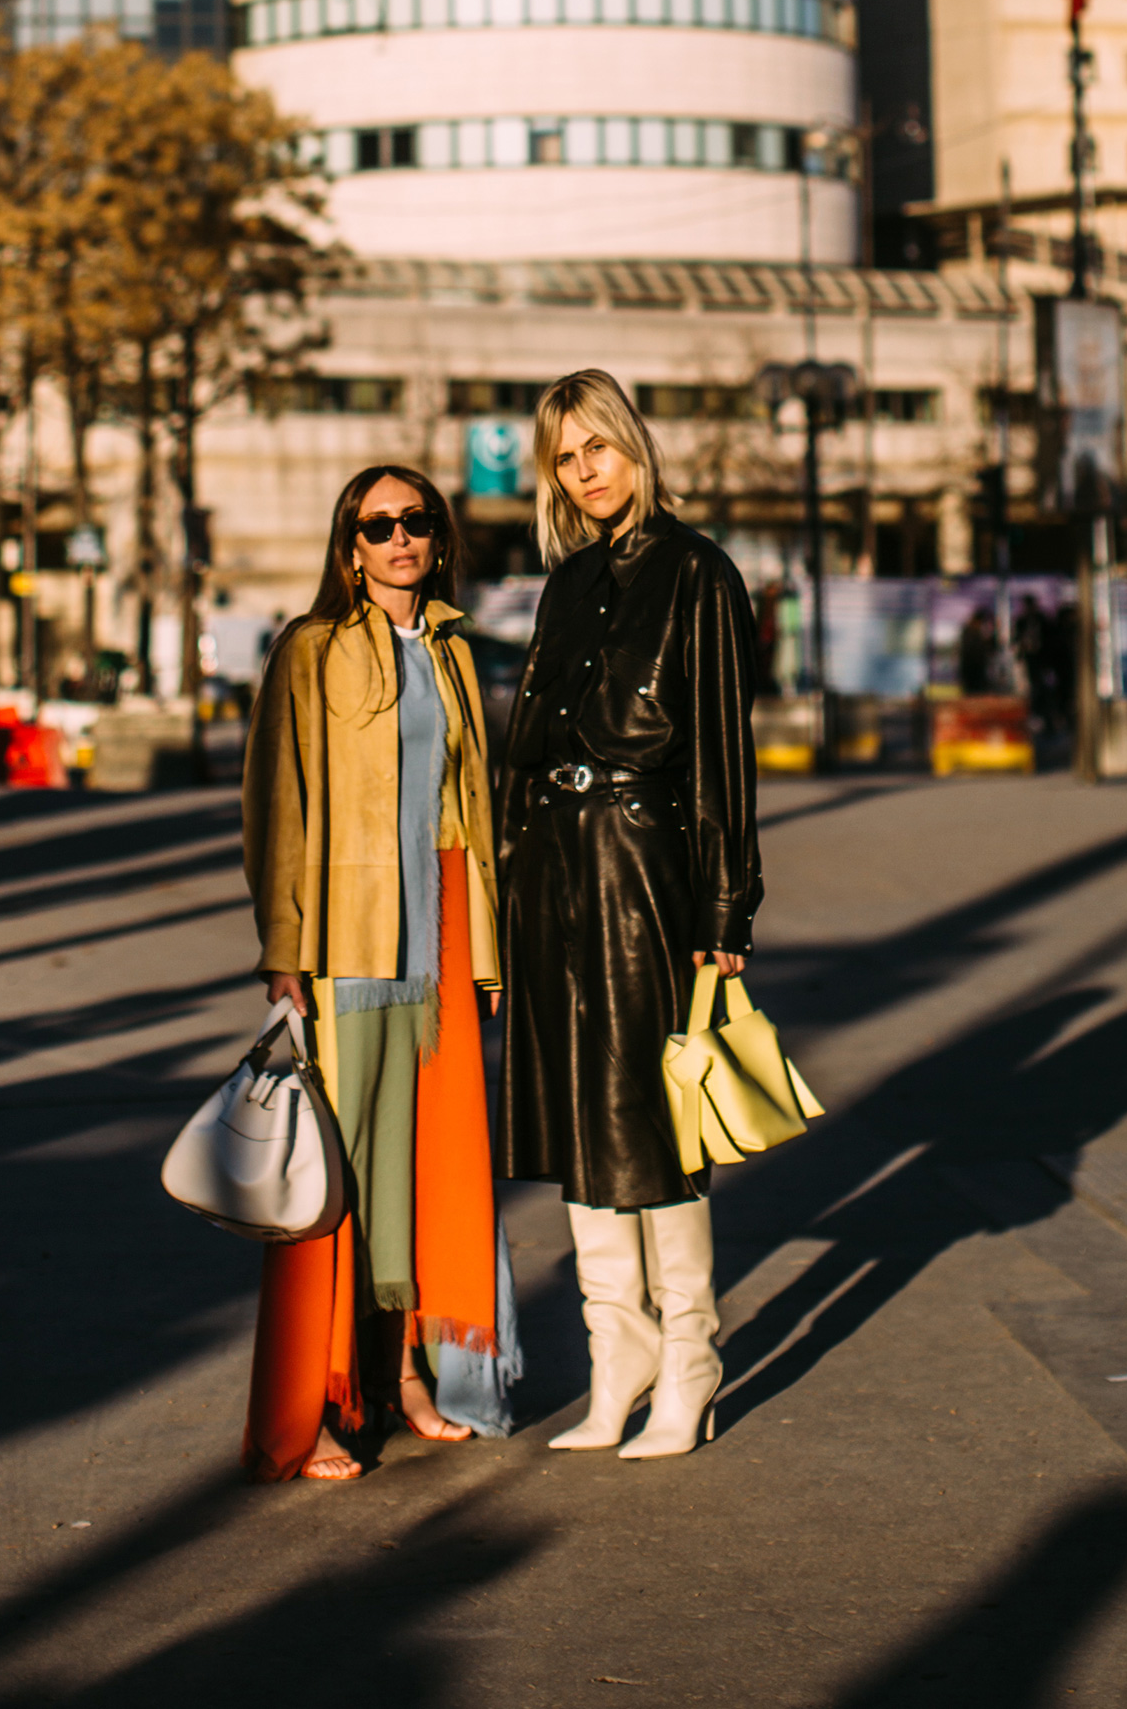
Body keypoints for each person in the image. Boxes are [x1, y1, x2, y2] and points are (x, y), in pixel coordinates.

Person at [497, 369, 761, 1459]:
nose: (586, 472)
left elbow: (722, 758)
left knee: (650, 1116)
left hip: (645, 867)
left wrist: (727, 913)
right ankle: (620, 1351)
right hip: (552, 871)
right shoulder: (564, 584)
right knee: (571, 1114)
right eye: (566, 457)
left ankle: (690, 1348)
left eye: (598, 446)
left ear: (634, 446)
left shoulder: (698, 573)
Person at [240, 465, 509, 1481]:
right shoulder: (310, 652)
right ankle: (310, 1408)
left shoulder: (450, 651)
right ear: (349, 546)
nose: (401, 538)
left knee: (414, 1177)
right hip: (346, 943)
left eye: (417, 522)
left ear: (439, 539)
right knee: (332, 1187)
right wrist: (284, 947)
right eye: (379, 524)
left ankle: (402, 1380)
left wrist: (483, 949)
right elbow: (278, 804)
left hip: (435, 944)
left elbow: (468, 809)